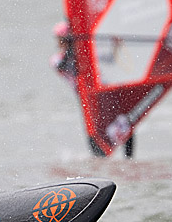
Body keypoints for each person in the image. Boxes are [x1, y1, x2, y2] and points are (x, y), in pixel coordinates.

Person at [50, 21, 135, 159]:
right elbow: (63, 65)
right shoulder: (56, 60)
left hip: (103, 93)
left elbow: (108, 59)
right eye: (61, 39)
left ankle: (129, 159)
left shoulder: (86, 55)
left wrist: (114, 45)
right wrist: (73, 45)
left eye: (63, 39)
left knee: (125, 122)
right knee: (94, 129)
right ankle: (99, 159)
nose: (61, 42)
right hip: (86, 97)